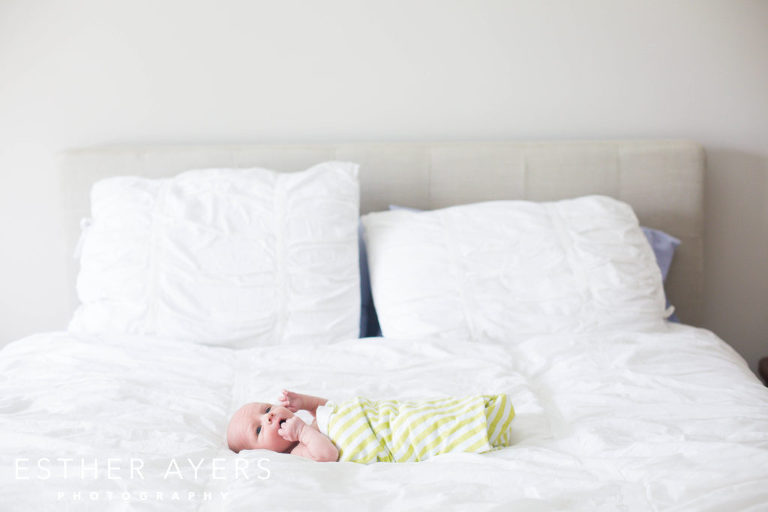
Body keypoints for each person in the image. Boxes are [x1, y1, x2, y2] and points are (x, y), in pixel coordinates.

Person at [226, 390, 515, 463]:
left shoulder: (310, 422)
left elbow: (331, 409)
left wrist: (306, 402)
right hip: (389, 438)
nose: (268, 418)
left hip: (383, 418)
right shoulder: (297, 452)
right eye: (259, 430)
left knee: (422, 411)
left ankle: (473, 411)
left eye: (266, 409)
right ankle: (477, 426)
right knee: (427, 430)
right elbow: (328, 454)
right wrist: (301, 431)